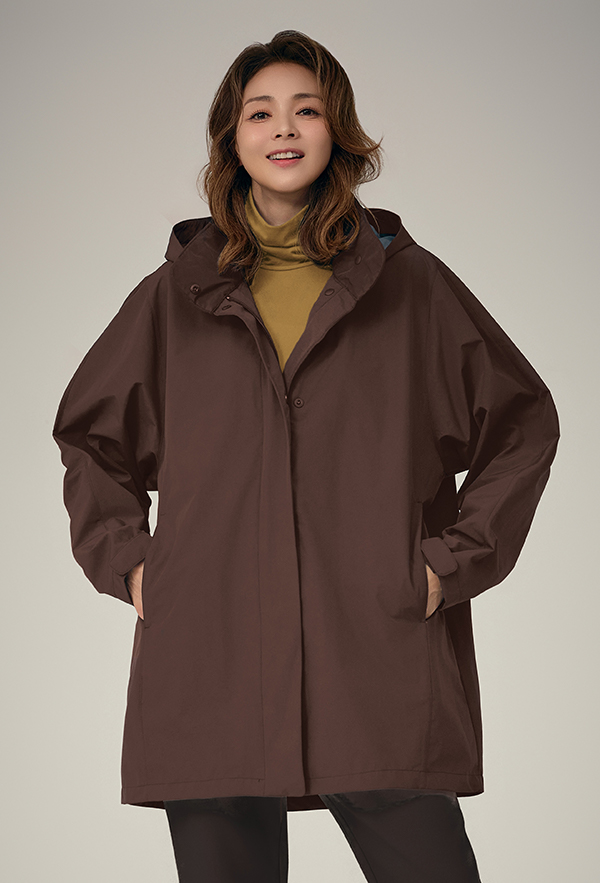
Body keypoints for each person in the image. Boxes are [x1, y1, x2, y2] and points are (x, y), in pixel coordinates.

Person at [52, 29, 560, 883]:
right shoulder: (174, 296)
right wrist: (136, 567)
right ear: (233, 137)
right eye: (260, 112)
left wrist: (448, 566)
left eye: (306, 110)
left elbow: (521, 423)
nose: (283, 128)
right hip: (210, 656)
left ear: (337, 132)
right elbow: (91, 439)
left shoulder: (412, 286)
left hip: (376, 650)